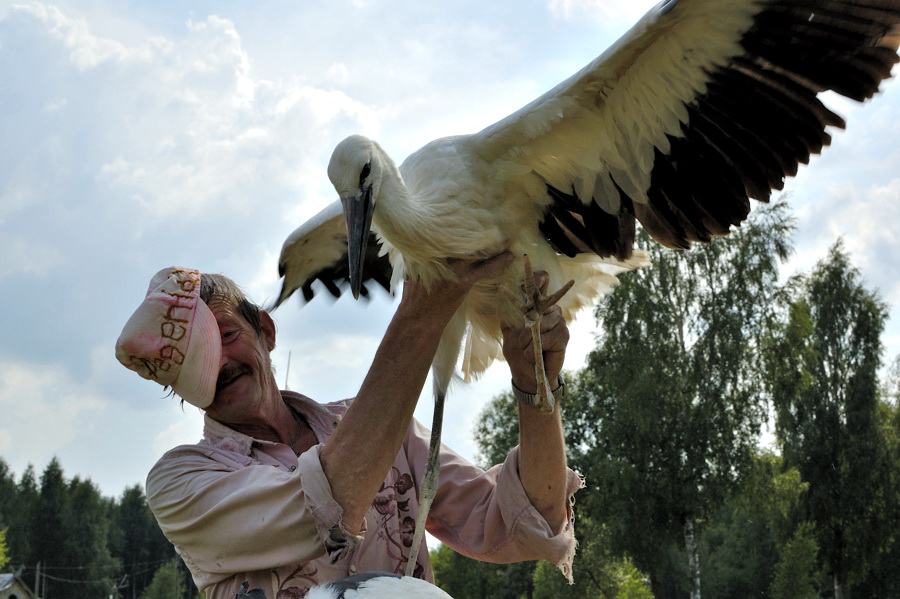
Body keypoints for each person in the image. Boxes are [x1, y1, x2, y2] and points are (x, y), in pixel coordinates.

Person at [115, 258, 582, 599]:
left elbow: (523, 523)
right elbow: (328, 503)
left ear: (267, 332)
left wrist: (534, 383)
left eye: (226, 336)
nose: (216, 364)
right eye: (189, 361)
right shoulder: (182, 482)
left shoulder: (384, 430)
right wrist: (422, 311)